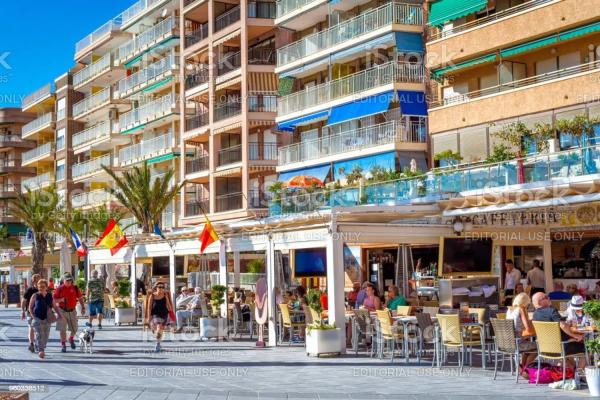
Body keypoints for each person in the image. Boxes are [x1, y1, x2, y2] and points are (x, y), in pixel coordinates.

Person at [532, 292, 586, 369]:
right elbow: (562, 325)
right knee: (586, 348)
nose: (549, 298)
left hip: (545, 349)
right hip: (561, 347)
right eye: (546, 297)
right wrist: (575, 335)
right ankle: (579, 373)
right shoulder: (552, 311)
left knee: (570, 350)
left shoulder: (535, 314)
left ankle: (573, 372)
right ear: (539, 302)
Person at [29, 279, 62, 359]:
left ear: (46, 287)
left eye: (43, 287)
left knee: (46, 336)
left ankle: (40, 346)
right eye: (39, 287)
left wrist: (59, 314)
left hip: (47, 319)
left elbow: (54, 306)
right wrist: (34, 317)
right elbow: (30, 308)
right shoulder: (35, 295)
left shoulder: (50, 296)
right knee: (40, 334)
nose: (41, 288)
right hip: (37, 318)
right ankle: (41, 350)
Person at [506, 293, 537, 377]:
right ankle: (525, 369)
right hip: (518, 343)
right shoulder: (521, 309)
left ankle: (521, 367)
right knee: (538, 347)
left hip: (509, 342)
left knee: (528, 346)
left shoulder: (510, 309)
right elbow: (528, 328)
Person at [53, 273, 85, 353]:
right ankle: (63, 345)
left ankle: (71, 338)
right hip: (62, 311)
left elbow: (80, 298)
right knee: (62, 329)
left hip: (72, 311)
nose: (68, 282)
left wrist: (83, 307)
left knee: (74, 328)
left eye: (70, 280)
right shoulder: (59, 289)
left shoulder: (75, 288)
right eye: (67, 280)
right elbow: (54, 300)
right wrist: (60, 300)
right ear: (63, 281)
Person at [145, 282, 174, 352]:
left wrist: (172, 316)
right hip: (155, 314)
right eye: (159, 287)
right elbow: (149, 308)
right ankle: (157, 344)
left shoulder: (165, 295)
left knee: (161, 330)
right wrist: (148, 318)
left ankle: (159, 342)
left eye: (162, 287)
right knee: (159, 326)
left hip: (164, 314)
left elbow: (169, 306)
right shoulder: (152, 296)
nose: (161, 288)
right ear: (156, 288)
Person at [21, 274, 41, 353]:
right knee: (32, 328)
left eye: (39, 280)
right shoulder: (30, 290)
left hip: (40, 313)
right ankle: (32, 344)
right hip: (31, 312)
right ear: (33, 281)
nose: (38, 282)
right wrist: (23, 311)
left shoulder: (42, 289)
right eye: (36, 280)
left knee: (38, 329)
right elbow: (24, 301)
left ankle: (35, 343)